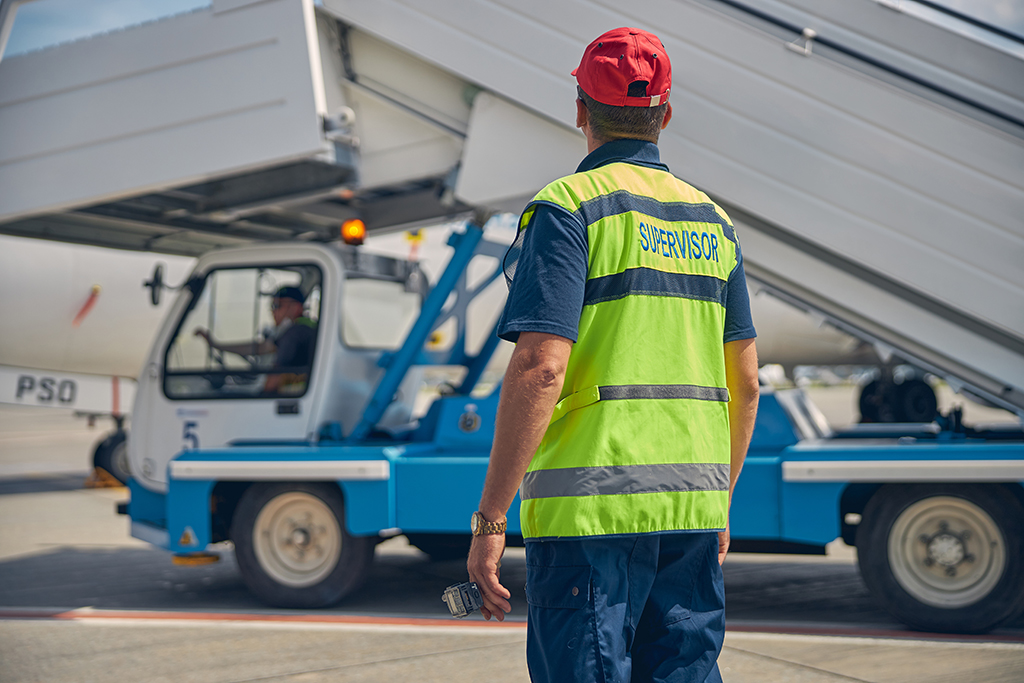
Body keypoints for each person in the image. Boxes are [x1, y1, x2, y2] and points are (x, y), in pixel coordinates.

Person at [465, 27, 760, 682]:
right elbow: (746, 381)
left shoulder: (570, 209)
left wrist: (491, 517)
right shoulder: (713, 221)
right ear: (666, 114)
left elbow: (542, 366)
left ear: (579, 108)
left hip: (588, 516)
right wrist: (720, 503)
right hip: (691, 514)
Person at [195, 286, 316, 393]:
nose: (273, 312)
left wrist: (260, 397)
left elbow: (274, 378)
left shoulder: (294, 333)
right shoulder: (305, 327)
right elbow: (260, 348)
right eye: (272, 307)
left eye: (277, 306)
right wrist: (217, 345)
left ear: (296, 308)